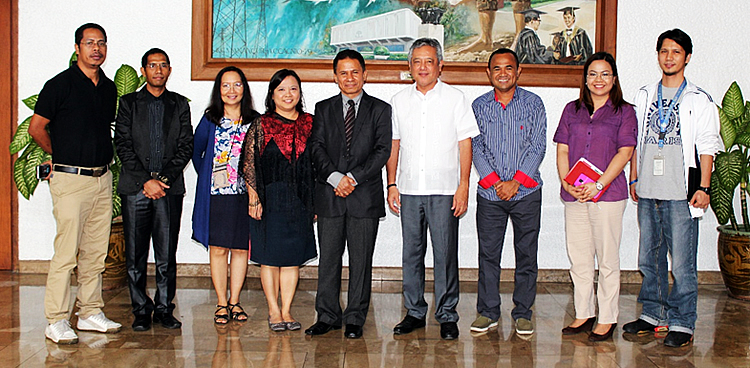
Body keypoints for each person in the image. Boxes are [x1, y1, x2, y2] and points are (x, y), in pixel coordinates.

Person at [624, 29, 721, 348]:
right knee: (648, 259)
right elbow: (636, 142)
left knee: (681, 263)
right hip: (648, 191)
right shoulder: (644, 94)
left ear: (687, 57)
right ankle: (653, 314)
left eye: (676, 52)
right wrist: (634, 177)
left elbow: (708, 144)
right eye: (664, 51)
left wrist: (704, 186)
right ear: (658, 56)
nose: (669, 57)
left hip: (682, 193)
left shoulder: (698, 99)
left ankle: (682, 321)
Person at [28, 23, 122, 344]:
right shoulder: (59, 85)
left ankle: (89, 312)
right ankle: (55, 319)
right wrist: (60, 153)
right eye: (90, 43)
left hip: (102, 177)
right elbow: (36, 128)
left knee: (95, 253)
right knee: (66, 253)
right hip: (70, 180)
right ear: (77, 47)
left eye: (102, 43)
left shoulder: (109, 89)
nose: (96, 49)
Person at [387, 38, 479, 340]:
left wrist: (463, 186)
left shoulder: (456, 98)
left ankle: (447, 314)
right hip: (410, 188)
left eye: (429, 61)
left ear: (440, 65)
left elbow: (466, 142)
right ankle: (414, 311)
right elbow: (394, 145)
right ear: (409, 66)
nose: (423, 67)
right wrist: (392, 183)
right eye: (417, 61)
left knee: (445, 254)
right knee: (411, 254)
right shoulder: (399, 100)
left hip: (444, 189)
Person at [305, 50, 392, 339]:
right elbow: (315, 148)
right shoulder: (323, 108)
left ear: (364, 74)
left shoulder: (380, 109)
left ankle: (355, 317)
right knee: (328, 260)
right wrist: (335, 178)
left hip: (363, 196)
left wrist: (352, 178)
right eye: (343, 72)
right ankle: (327, 315)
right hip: (330, 195)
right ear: (335, 77)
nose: (349, 78)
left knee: (361, 260)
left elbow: (383, 151)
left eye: (355, 71)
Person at [553, 52, 637, 341]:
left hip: (608, 196)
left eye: (604, 74)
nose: (598, 80)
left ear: (613, 79)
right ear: (585, 79)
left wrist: (599, 185)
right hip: (575, 195)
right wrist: (567, 181)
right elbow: (562, 149)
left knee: (608, 259)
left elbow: (625, 152)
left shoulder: (625, 112)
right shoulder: (570, 109)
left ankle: (607, 317)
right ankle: (584, 313)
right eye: (592, 74)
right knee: (579, 259)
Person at [114, 48, 193, 331]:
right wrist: (146, 180)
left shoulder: (180, 104)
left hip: (169, 190)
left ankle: (163, 308)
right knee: (135, 255)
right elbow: (122, 144)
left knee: (165, 254)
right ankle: (140, 310)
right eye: (152, 65)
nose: (158, 70)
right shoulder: (128, 103)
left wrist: (163, 180)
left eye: (163, 65)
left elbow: (186, 146)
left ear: (169, 70)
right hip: (135, 189)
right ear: (143, 70)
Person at [469, 48, 546, 336]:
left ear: (518, 71)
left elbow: (538, 145)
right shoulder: (478, 106)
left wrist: (516, 181)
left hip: (526, 192)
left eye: (509, 68)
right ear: (489, 73)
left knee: (526, 254)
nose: (503, 73)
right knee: (488, 255)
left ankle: (523, 313)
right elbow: (475, 145)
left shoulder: (534, 104)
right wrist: (492, 180)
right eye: (497, 68)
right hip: (490, 195)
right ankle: (488, 312)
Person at [240, 69, 317, 332]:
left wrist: (314, 202)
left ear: (300, 93)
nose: (288, 94)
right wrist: (253, 198)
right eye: (281, 89)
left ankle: (287, 311)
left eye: (293, 89)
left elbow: (317, 165)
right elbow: (248, 163)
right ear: (272, 94)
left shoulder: (310, 123)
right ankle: (273, 310)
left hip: (300, 201)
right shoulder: (262, 124)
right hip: (269, 200)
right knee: (270, 259)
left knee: (292, 259)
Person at [192, 66, 259, 325]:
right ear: (219, 90)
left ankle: (235, 301)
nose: (232, 91)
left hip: (244, 196)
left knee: (241, 250)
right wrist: (208, 177)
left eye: (237, 85)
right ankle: (221, 303)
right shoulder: (210, 119)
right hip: (216, 197)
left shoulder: (255, 120)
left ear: (245, 88)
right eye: (226, 85)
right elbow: (197, 152)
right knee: (219, 250)